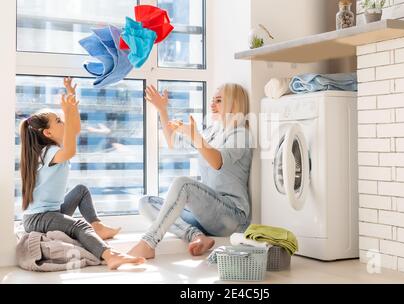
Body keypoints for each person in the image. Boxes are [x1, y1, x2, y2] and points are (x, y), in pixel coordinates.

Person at [20, 77, 145, 270]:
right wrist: (68, 112)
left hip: (49, 213)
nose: (64, 123)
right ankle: (111, 255)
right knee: (79, 226)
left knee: (81, 190)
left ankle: (98, 227)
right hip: (39, 218)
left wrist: (71, 100)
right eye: (58, 121)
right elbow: (71, 149)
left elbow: (75, 129)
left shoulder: (50, 150)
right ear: (47, 133)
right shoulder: (48, 153)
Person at [128, 83, 253, 259]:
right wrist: (162, 110)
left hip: (232, 219)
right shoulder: (212, 132)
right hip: (207, 216)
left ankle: (148, 242)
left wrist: (195, 136)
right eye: (212, 100)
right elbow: (172, 142)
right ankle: (196, 236)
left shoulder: (241, 134)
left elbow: (218, 162)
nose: (212, 105)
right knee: (146, 202)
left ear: (234, 104)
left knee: (183, 184)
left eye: (218, 100)